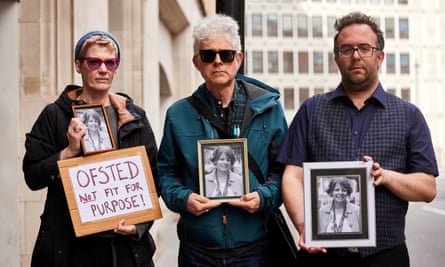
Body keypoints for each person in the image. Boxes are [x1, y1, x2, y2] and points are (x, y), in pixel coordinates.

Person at [277, 11, 438, 267]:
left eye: (365, 48)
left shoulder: (409, 115)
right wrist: (304, 226)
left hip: (386, 255)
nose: (356, 56)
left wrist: (387, 177)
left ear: (379, 56)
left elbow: (428, 189)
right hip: (321, 255)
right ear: (336, 58)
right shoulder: (311, 110)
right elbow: (292, 175)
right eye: (346, 49)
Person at [157, 14, 287, 267]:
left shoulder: (270, 111)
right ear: (197, 62)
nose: (218, 61)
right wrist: (184, 199)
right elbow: (165, 173)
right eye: (208, 55)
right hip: (198, 249)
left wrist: (264, 196)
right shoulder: (178, 114)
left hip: (255, 247)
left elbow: (285, 170)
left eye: (226, 54)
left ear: (238, 59)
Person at [22, 30, 159, 267]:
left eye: (110, 63)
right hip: (71, 250)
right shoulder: (54, 116)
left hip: (125, 251)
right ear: (78, 65)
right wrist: (68, 153)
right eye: (94, 62)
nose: (103, 69)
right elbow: (32, 176)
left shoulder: (135, 116)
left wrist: (139, 226)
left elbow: (155, 179)